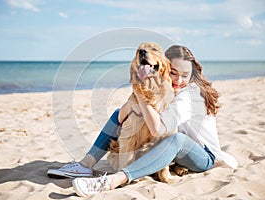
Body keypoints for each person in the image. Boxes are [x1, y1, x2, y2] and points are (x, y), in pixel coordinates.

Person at [47, 45, 239, 197]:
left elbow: (158, 129)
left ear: (192, 75)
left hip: (202, 156)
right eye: (173, 72)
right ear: (163, 68)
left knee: (176, 139)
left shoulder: (189, 96)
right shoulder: (167, 91)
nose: (179, 79)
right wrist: (136, 99)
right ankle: (85, 165)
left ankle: (115, 180)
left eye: (185, 75)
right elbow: (121, 117)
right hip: (176, 155)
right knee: (119, 112)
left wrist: (139, 96)